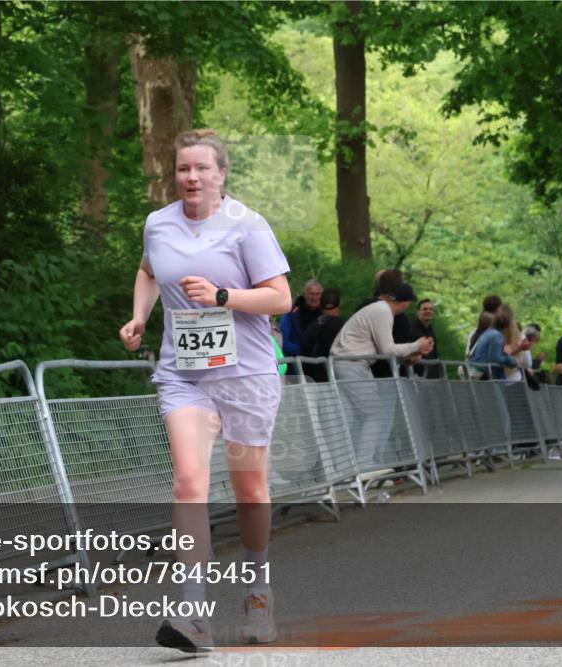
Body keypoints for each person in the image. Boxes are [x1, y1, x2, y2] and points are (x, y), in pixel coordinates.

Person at [119, 129, 291, 651]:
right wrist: (139, 317)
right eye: (182, 169)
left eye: (201, 168)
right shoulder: (159, 224)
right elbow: (149, 270)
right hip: (184, 374)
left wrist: (223, 296)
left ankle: (258, 591)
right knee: (189, 481)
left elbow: (280, 298)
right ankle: (195, 614)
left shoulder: (247, 226)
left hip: (246, 376)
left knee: (248, 491)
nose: (191, 177)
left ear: (221, 174)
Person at [331, 277, 434, 462]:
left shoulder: (379, 309)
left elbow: (383, 349)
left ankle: (347, 465)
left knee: (353, 415)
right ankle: (364, 464)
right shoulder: (383, 312)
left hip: (353, 363)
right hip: (351, 364)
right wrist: (416, 345)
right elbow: (387, 349)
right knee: (374, 414)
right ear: (406, 304)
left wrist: (409, 355)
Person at [356, 269, 411, 377]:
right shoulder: (394, 313)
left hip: (362, 367)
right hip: (386, 372)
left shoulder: (364, 307)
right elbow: (397, 345)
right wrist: (413, 350)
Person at [301, 287, 345, 382]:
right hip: (334, 380)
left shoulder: (311, 327)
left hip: (312, 380)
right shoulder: (343, 327)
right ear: (339, 305)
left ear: (320, 305)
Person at [278, 279, 323, 363]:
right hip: (297, 365)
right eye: (311, 294)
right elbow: (283, 340)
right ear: (305, 295)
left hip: (320, 365)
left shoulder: (325, 315)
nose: (314, 298)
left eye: (318, 294)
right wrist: (301, 350)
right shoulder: (291, 314)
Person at [469, 308, 520, 380]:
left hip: (479, 369)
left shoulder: (489, 332)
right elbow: (495, 358)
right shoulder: (497, 336)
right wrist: (513, 361)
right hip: (485, 375)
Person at [410, 299, 440, 378]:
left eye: (431, 309)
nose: (428, 311)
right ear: (418, 312)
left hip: (431, 376)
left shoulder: (430, 329)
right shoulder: (411, 328)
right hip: (416, 376)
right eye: (425, 309)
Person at [465, 295, 503, 359]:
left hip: (472, 365)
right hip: (485, 367)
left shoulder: (474, 331)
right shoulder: (496, 334)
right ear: (497, 309)